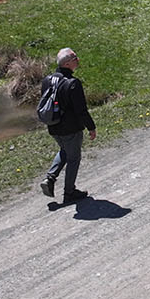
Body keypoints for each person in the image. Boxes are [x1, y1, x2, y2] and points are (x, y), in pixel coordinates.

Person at [40, 47, 96, 202]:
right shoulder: (73, 83)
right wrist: (91, 127)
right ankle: (69, 192)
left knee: (65, 150)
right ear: (67, 64)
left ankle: (50, 179)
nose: (78, 60)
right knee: (73, 158)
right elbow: (81, 110)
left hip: (53, 126)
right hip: (71, 128)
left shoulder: (47, 80)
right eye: (75, 58)